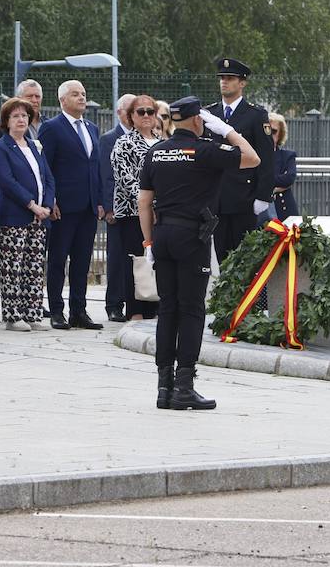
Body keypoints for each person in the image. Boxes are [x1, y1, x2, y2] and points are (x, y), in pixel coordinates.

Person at [138, 96, 259, 410]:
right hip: (191, 236)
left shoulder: (156, 151)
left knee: (168, 308)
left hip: (162, 234)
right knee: (191, 310)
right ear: (198, 121)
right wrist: (227, 130)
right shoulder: (205, 150)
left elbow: (143, 202)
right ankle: (184, 386)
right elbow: (252, 157)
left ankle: (163, 388)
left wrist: (148, 242)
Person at [37, 79, 104, 330]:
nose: (82, 98)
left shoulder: (92, 128)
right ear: (62, 100)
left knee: (82, 261)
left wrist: (98, 200)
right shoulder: (52, 128)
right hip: (62, 206)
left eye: (84, 94)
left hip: (87, 206)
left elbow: (94, 167)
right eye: (76, 94)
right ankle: (56, 310)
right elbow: (46, 167)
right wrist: (50, 199)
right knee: (57, 259)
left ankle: (79, 310)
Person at [0, 97, 56, 331]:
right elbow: (7, 181)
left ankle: (33, 313)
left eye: (25, 116)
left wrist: (46, 205)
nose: (21, 120)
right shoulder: (1, 147)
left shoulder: (34, 145)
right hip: (15, 216)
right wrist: (32, 205)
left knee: (34, 267)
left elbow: (48, 177)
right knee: (13, 267)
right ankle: (12, 315)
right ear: (6, 121)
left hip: (39, 217)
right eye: (16, 116)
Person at [205, 57, 275, 262]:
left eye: (229, 78)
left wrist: (263, 196)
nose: (224, 82)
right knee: (219, 257)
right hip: (216, 198)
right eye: (221, 78)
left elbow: (266, 157)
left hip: (243, 197)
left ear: (242, 83)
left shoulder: (255, 115)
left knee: (244, 259)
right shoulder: (211, 113)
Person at [111, 96, 162, 320]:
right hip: (132, 212)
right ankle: (135, 310)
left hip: (160, 213)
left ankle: (155, 307)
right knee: (136, 260)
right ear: (131, 116)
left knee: (157, 260)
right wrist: (147, 200)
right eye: (140, 112)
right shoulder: (124, 143)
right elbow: (124, 177)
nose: (146, 116)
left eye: (150, 111)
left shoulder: (162, 142)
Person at [100, 94, 135, 322]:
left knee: (135, 258)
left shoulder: (144, 137)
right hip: (119, 209)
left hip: (138, 209)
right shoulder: (109, 138)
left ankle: (135, 302)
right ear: (119, 112)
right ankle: (114, 304)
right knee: (116, 258)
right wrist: (110, 207)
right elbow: (106, 175)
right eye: (130, 110)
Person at [269, 112, 298, 220]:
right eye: (266, 131)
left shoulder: (287, 155)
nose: (269, 135)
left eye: (274, 131)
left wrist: (266, 184)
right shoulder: (253, 156)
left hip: (283, 206)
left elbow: (289, 178)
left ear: (280, 134)